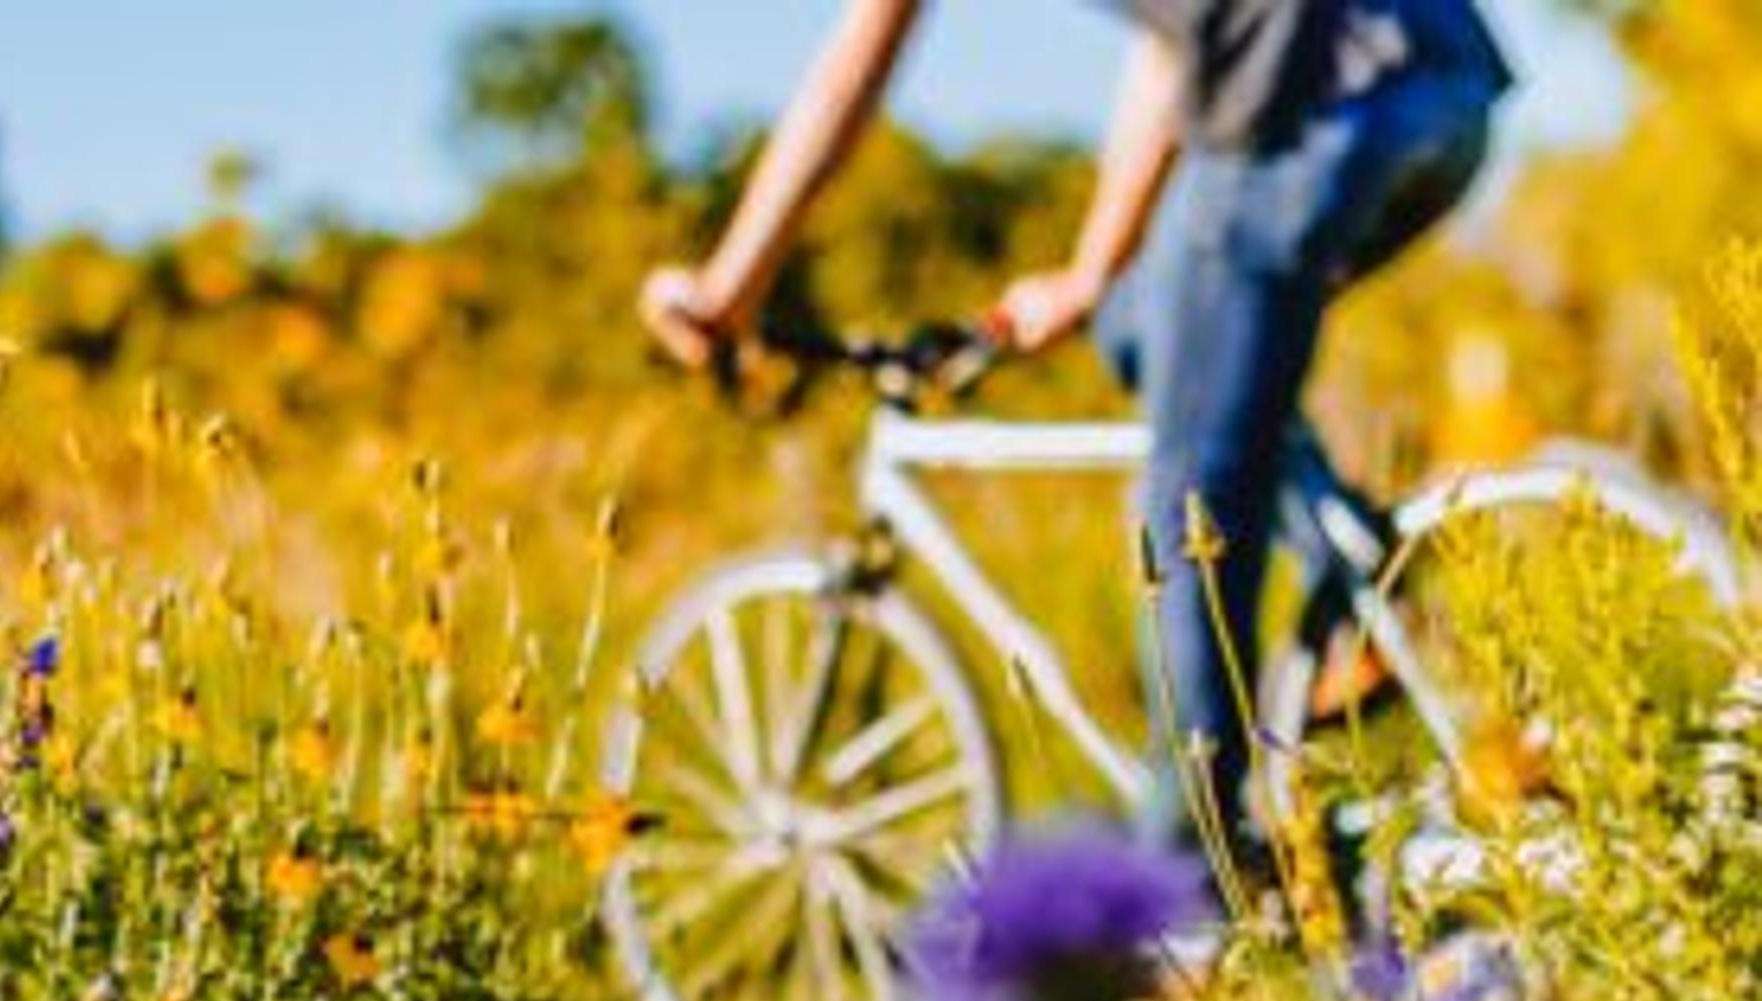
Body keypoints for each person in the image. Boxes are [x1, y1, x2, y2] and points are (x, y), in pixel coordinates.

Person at [642, 0, 1513, 856]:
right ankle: (1354, 586)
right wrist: (1093, 271)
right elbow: (1174, 46)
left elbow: (854, 66)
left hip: (1311, 105)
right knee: (1138, 325)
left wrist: (728, 290)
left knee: (1188, 498)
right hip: (1442, 87)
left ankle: (1195, 880)